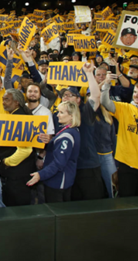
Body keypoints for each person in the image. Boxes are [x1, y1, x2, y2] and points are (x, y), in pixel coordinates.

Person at [55, 63, 105, 201]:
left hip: (87, 166)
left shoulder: (86, 112)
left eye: (69, 95)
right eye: (63, 96)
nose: (65, 98)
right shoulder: (59, 115)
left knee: (92, 203)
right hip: (69, 167)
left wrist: (89, 73)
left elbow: (95, 96)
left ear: (78, 99)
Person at [26, 101, 81, 203]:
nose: (58, 115)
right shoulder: (70, 130)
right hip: (60, 179)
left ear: (71, 116)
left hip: (58, 182)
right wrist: (50, 141)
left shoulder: (66, 137)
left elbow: (59, 163)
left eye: (61, 112)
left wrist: (40, 175)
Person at [0, 88, 36, 206]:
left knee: (17, 206)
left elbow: (25, 150)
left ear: (17, 102)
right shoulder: (16, 115)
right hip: (18, 172)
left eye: (7, 100)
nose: (3, 102)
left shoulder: (19, 118)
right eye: (3, 100)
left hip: (17, 173)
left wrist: (6, 162)